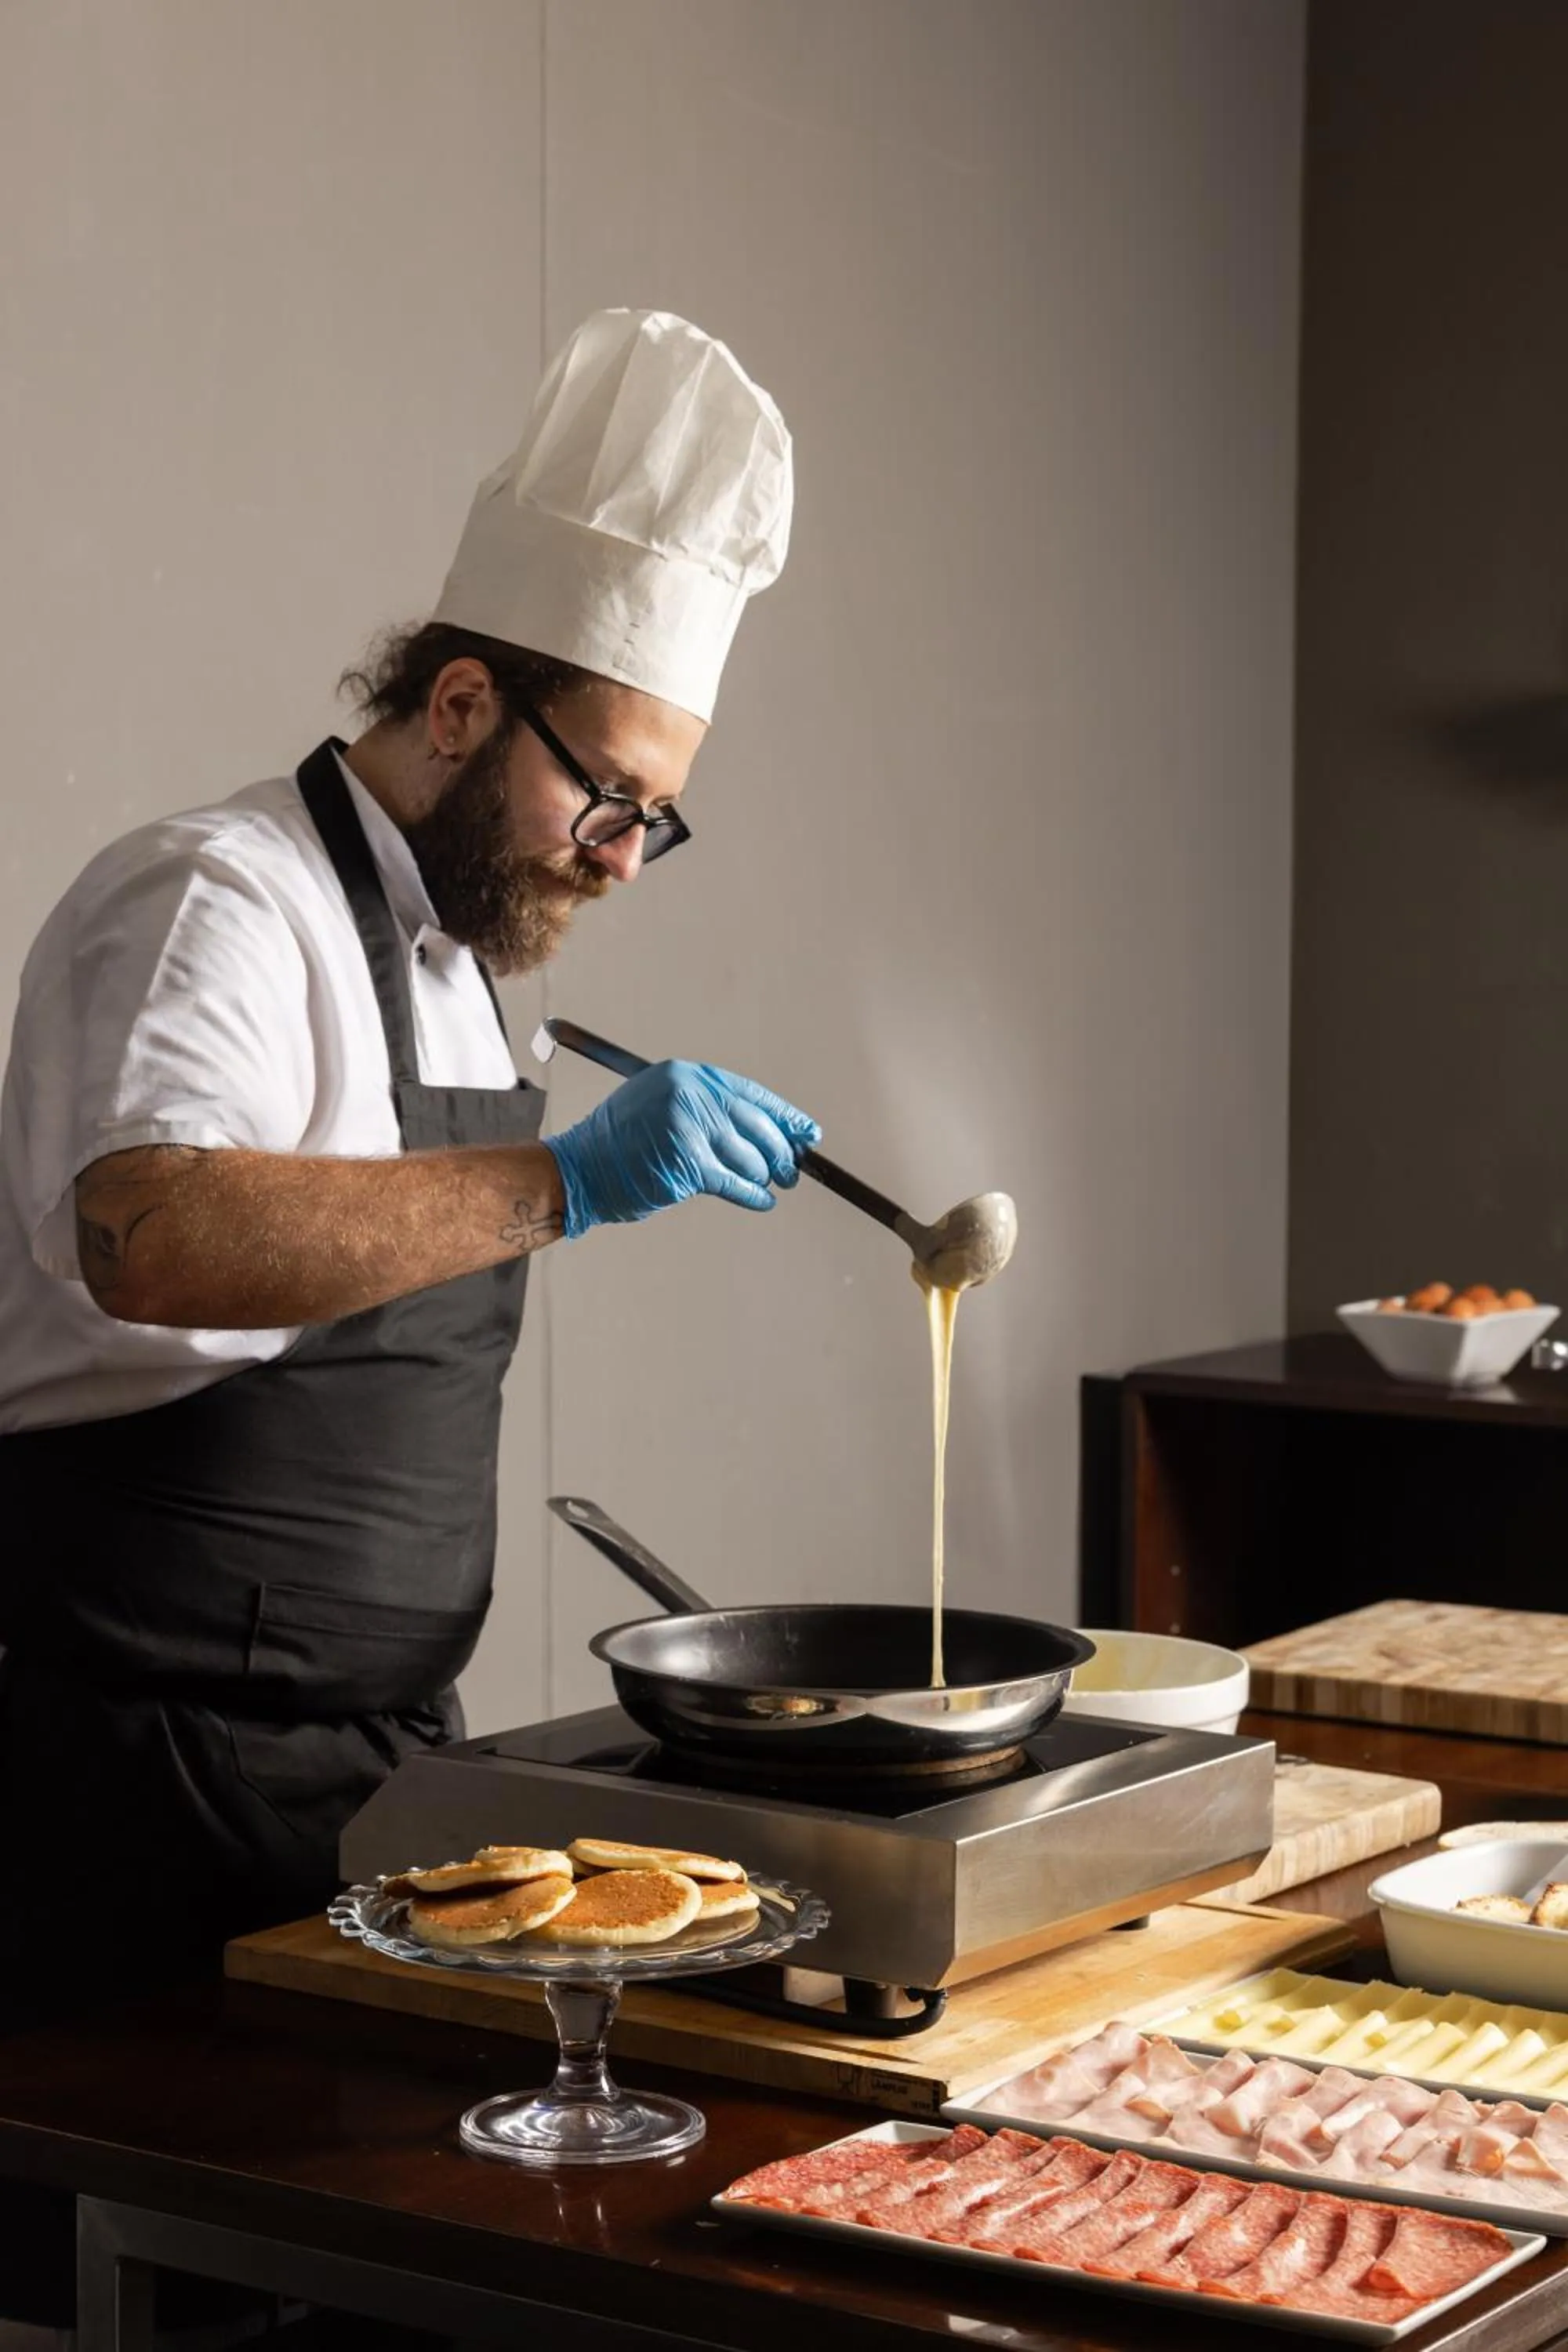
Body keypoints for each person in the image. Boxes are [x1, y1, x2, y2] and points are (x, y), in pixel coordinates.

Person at [0, 307, 815, 2040]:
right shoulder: (213, 901)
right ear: (461, 703)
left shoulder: (452, 967)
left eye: (651, 823)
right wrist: (562, 1183)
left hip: (370, 1787)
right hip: (138, 1786)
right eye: (607, 802)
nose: (621, 864)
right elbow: (148, 1232)